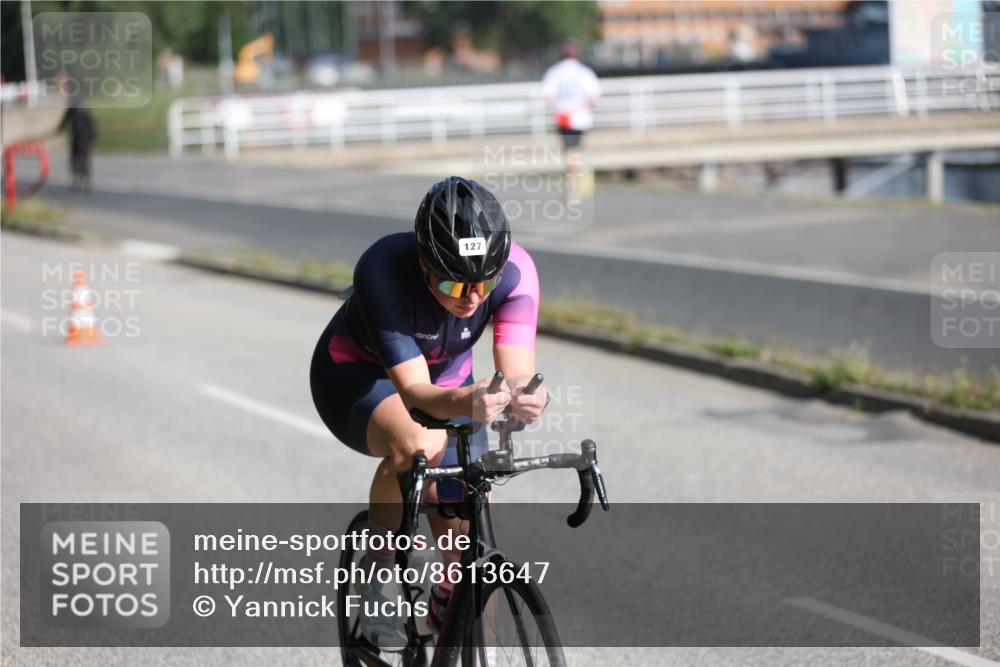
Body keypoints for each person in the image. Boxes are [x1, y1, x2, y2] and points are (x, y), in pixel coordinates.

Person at [310, 176, 548, 650]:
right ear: (423, 264)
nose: (472, 297)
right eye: (453, 281)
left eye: (485, 282)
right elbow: (417, 394)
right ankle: (377, 574)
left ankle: (459, 612)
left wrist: (529, 399)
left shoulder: (516, 270)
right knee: (421, 443)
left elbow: (518, 374)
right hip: (357, 374)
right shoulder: (383, 267)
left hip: (450, 382)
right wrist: (467, 401)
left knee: (471, 536)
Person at [542, 40, 601, 200]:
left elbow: (548, 97)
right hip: (581, 118)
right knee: (577, 152)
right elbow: (594, 97)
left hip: (564, 118)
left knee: (570, 153)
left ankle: (573, 187)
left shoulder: (555, 72)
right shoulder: (585, 72)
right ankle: (578, 185)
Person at [56, 100, 97, 192]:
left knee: (83, 160)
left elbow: (91, 126)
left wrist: (91, 140)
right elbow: (65, 121)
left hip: (85, 138)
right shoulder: (73, 107)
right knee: (75, 160)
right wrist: (59, 129)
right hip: (77, 138)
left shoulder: (82, 108)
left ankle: (86, 182)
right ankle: (77, 181)